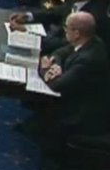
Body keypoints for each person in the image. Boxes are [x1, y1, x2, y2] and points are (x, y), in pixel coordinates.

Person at [39, 12, 110, 142]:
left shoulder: (88, 60)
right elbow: (60, 53)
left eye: (66, 28)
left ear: (77, 33)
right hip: (78, 99)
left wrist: (45, 68)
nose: (64, 30)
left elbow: (57, 85)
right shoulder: (89, 41)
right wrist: (57, 65)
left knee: (37, 130)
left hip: (83, 116)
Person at [11, 0, 107, 54]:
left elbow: (68, 44)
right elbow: (56, 12)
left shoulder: (91, 18)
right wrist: (29, 16)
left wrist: (29, 36)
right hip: (55, 40)